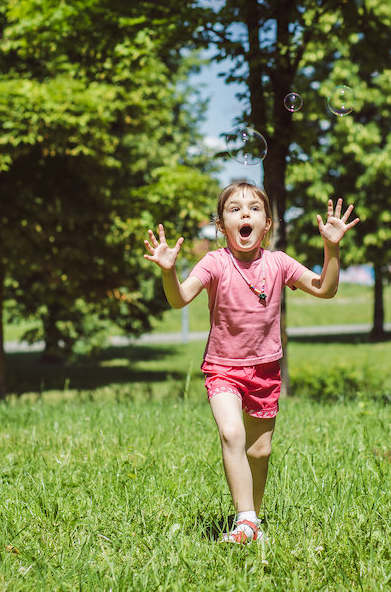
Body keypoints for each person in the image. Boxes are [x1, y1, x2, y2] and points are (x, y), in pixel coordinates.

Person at [144, 181, 359, 543]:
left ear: (268, 223)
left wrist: (331, 247)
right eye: (235, 209)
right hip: (222, 368)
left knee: (260, 452)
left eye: (254, 208)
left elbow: (325, 288)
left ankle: (251, 518)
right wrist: (168, 271)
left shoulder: (278, 263)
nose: (245, 213)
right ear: (220, 225)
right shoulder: (215, 261)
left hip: (265, 370)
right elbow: (180, 299)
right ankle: (245, 521)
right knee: (232, 434)